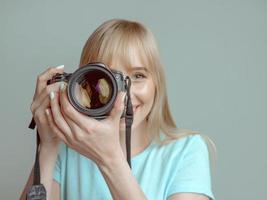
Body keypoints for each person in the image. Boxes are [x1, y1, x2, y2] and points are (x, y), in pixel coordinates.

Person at [20, 19, 216, 200]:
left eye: (137, 76)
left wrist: (109, 159)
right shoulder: (66, 148)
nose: (122, 95)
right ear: (81, 84)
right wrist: (47, 146)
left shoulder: (186, 151)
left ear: (157, 83)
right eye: (106, 79)